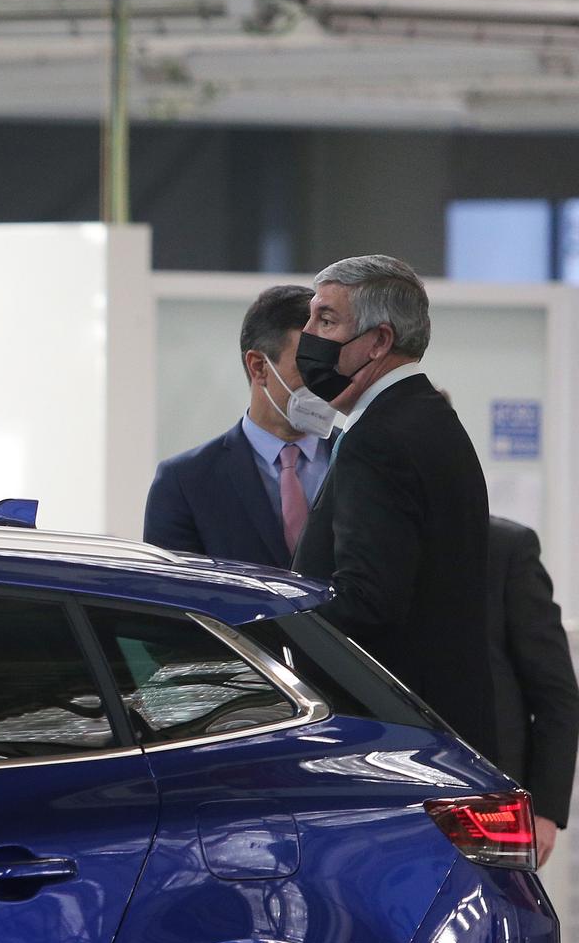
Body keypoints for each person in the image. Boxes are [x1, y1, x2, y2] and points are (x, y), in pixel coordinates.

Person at [290, 254, 497, 757]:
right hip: (441, 724)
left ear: (380, 341)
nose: (308, 335)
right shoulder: (428, 419)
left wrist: (280, 623)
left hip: (394, 742)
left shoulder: (378, 438)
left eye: (327, 319)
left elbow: (368, 601)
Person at [144, 285, 335, 567]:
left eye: (329, 367)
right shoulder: (186, 482)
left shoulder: (362, 460)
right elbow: (173, 603)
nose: (323, 382)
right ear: (258, 367)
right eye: (307, 367)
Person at [487, 516, 579, 864]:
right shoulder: (368, 542)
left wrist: (544, 811)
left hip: (499, 810)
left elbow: (555, 694)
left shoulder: (505, 547)